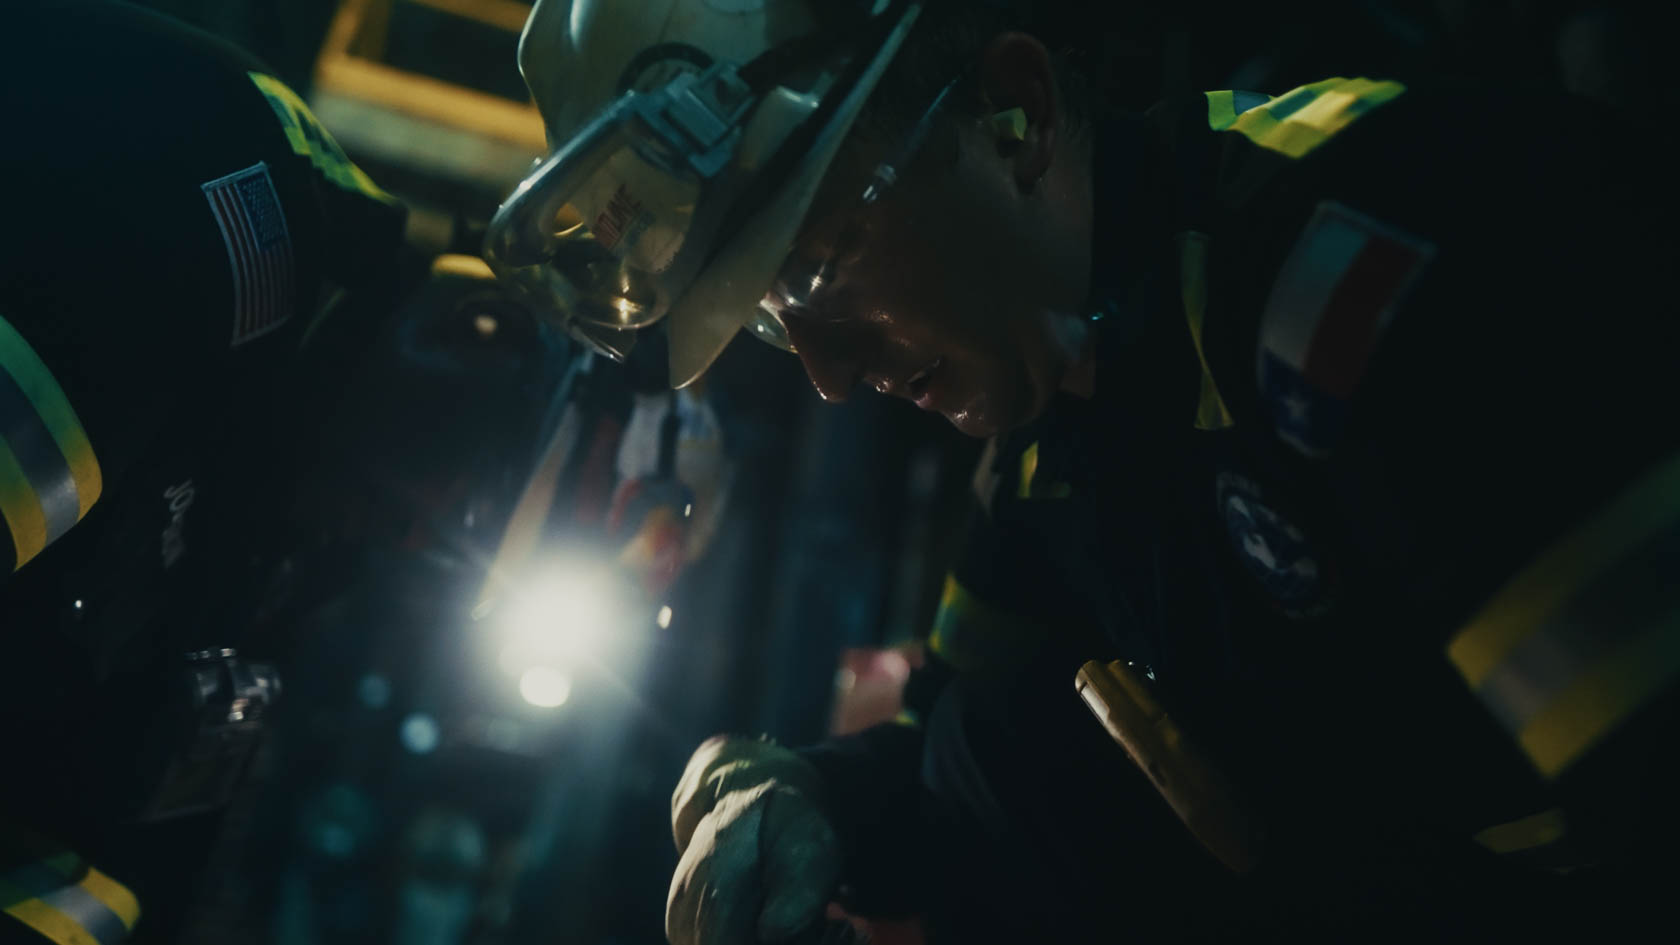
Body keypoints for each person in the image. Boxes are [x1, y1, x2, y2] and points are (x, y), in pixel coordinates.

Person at [495, 0, 1678, 941]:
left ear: (1018, 113)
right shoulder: (1062, 431)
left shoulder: (1366, 277)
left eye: (815, 267)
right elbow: (969, 747)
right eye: (768, 318)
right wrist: (809, 792)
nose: (827, 375)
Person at [0, 1, 409, 941]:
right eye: (455, 519)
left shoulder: (280, 529)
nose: (405, 542)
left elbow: (115, 852)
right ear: (475, 359)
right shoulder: (240, 211)